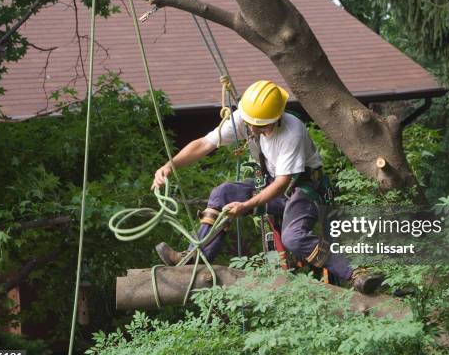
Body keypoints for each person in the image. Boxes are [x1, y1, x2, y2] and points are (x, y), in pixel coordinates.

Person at [152, 80, 382, 294]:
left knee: (294, 237)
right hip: (275, 185)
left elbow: (283, 183)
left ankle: (354, 272)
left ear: (272, 119)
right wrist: (169, 166)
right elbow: (204, 143)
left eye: (257, 124)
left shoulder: (291, 132)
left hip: (305, 190)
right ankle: (196, 258)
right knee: (222, 193)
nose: (250, 126)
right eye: (250, 122)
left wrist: (247, 205)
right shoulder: (247, 118)